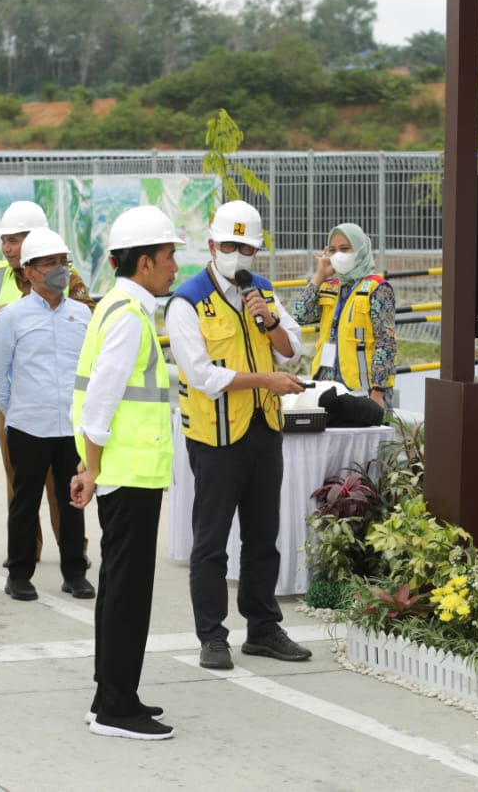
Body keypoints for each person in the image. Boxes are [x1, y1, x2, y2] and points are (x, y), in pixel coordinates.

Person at [165, 199, 312, 671]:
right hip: (216, 437)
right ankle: (212, 635)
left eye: (246, 247)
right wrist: (265, 380)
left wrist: (266, 320)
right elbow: (202, 375)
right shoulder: (187, 301)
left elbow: (292, 351)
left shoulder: (262, 293)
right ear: (211, 245)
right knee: (210, 542)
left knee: (263, 535)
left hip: (263, 430)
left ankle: (263, 628)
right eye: (229, 244)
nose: (238, 254)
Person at [70, 205, 183, 740]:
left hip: (125, 473)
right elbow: (99, 404)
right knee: (127, 593)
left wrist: (88, 467)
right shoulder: (128, 318)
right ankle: (115, 707)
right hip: (127, 475)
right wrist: (90, 470)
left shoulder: (118, 307)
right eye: (168, 256)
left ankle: (115, 695)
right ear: (143, 263)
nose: (174, 266)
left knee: (121, 588)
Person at [0, 200, 94, 565]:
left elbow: (87, 321)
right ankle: (25, 551)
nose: (7, 248)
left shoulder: (67, 275)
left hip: (60, 399)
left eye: (15, 240)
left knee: (63, 480)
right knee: (19, 479)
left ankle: (73, 550)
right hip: (15, 397)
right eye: (4, 240)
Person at [0, 228, 93, 602]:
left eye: (63, 262)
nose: (60, 270)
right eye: (50, 264)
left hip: (71, 427)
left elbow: (91, 368)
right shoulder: (12, 317)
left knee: (73, 500)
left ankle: (74, 572)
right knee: (25, 501)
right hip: (28, 425)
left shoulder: (82, 314)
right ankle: (19, 574)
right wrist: (18, 408)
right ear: (29, 271)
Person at [291, 222, 397, 410]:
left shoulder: (377, 288)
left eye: (345, 249)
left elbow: (386, 343)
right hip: (326, 386)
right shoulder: (329, 286)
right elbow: (299, 315)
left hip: (363, 390)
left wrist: (378, 391)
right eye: (332, 250)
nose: (338, 254)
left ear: (360, 250)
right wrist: (319, 274)